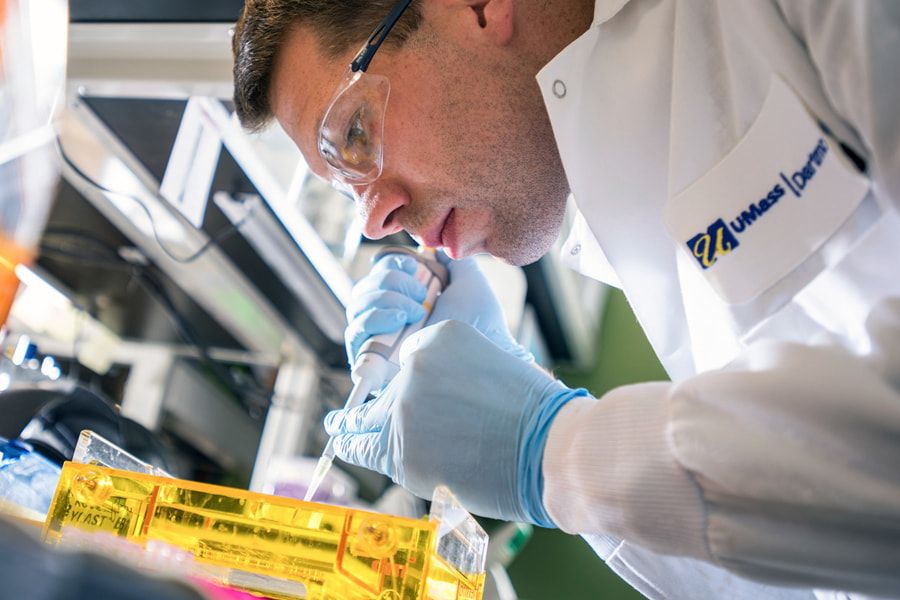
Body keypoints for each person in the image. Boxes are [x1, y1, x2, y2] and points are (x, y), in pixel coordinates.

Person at [231, 1, 900, 598]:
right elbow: (797, 564)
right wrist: (532, 413)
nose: (374, 221)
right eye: (346, 189)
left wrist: (553, 450)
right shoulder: (619, 179)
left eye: (352, 135)